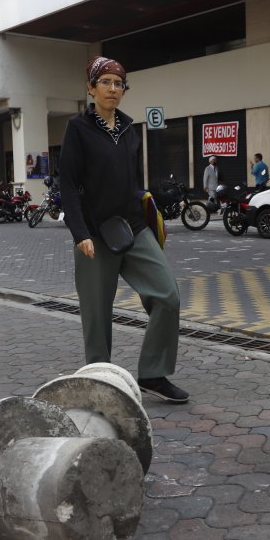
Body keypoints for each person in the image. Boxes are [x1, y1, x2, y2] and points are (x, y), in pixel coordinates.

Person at [59, 55, 187, 403]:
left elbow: (133, 182)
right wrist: (80, 232)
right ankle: (101, 382)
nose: (113, 89)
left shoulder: (130, 131)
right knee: (97, 315)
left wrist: (152, 211)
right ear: (91, 88)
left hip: (133, 226)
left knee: (167, 295)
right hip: (95, 233)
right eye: (106, 82)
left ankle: (153, 373)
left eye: (119, 84)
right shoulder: (78, 128)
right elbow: (67, 184)